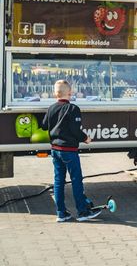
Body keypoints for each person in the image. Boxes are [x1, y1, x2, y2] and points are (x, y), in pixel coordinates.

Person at [42, 80, 101, 222]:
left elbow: (44, 125)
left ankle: (61, 213)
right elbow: (75, 130)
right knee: (76, 180)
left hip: (55, 150)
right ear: (70, 93)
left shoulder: (51, 108)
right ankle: (82, 212)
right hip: (69, 150)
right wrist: (86, 138)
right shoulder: (73, 109)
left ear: (55, 94)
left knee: (58, 181)